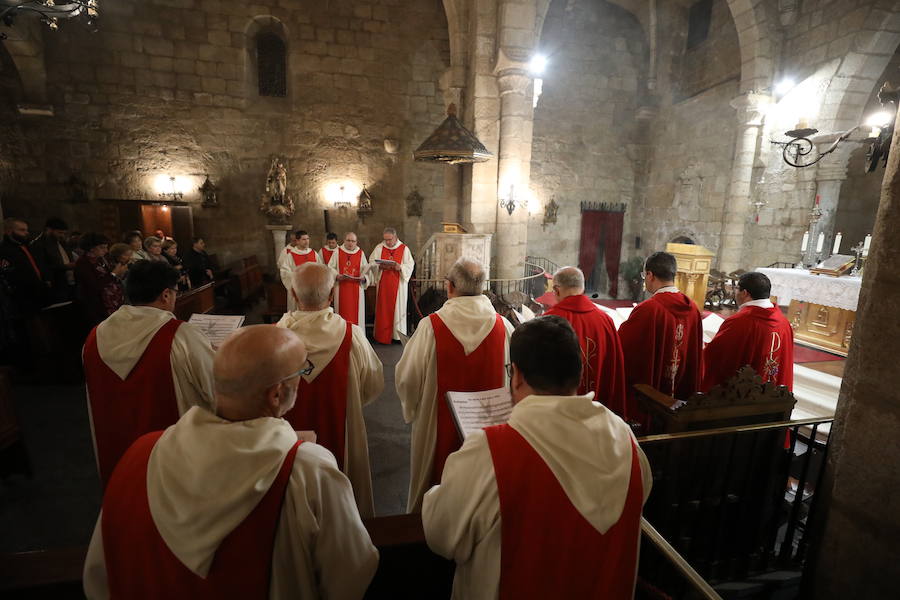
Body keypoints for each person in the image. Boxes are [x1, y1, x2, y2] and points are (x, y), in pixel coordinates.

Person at [83, 325, 379, 598]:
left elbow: (98, 577)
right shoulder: (308, 472)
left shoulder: (140, 456)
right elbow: (351, 575)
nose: (304, 377)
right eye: (301, 372)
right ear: (277, 394)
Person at [422, 316, 652, 599]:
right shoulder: (626, 442)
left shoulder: (492, 451)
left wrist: (435, 496)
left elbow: (441, 535)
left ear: (516, 375)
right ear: (578, 373)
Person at [82, 260, 215, 486]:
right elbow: (217, 389)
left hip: (120, 458)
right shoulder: (179, 336)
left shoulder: (94, 338)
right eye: (175, 292)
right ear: (165, 295)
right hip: (173, 459)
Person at [396, 257, 514, 512]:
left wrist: (412, 408)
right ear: (483, 288)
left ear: (449, 286)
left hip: (439, 425)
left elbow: (407, 377)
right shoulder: (503, 327)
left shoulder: (430, 327)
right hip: (489, 425)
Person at [276, 262, 384, 518]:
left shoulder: (273, 338)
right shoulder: (352, 335)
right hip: (342, 429)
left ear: (293, 294)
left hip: (287, 441)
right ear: (332, 295)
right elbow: (372, 383)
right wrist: (352, 401)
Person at [618, 251, 703, 427]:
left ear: (649, 275)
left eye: (644, 275)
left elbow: (624, 348)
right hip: (682, 398)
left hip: (652, 399)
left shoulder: (649, 309)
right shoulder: (693, 308)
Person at [544, 266, 626, 417]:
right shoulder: (605, 320)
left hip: (559, 416)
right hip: (599, 414)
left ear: (556, 290)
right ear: (582, 288)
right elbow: (614, 367)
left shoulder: (549, 320)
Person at [702, 272, 794, 392]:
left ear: (744, 293)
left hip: (742, 400)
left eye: (736, 289)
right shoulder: (784, 323)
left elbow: (715, 356)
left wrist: (703, 345)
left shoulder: (739, 322)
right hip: (773, 399)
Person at [369, 227, 414, 344]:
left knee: (398, 309)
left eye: (389, 239)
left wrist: (401, 267)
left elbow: (410, 265)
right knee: (383, 309)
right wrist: (378, 266)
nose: (387, 242)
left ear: (395, 237)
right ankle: (382, 336)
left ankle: (397, 336)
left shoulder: (404, 249)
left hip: (398, 285)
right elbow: (371, 262)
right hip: (383, 284)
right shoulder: (379, 247)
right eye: (385, 240)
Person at [75, 233, 127, 327]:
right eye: (102, 247)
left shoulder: (100, 259)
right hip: (96, 305)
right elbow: (94, 286)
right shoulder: (83, 263)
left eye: (106, 247)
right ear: (91, 248)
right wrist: (114, 273)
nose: (106, 250)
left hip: (111, 301)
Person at [0, 217, 50, 314]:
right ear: (9, 231)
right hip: (23, 299)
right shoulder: (5, 251)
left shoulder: (27, 246)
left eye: (26, 230)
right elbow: (11, 274)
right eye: (22, 230)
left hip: (39, 294)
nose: (26, 233)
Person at [327, 232, 369, 326]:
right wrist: (336, 276)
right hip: (341, 287)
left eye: (353, 241)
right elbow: (330, 267)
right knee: (342, 314)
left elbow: (366, 270)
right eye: (348, 241)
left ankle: (357, 336)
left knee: (356, 314)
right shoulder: (337, 252)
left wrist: (364, 278)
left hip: (357, 288)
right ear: (344, 241)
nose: (350, 243)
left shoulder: (360, 253)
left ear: (356, 242)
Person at [29, 217, 76, 303]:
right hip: (55, 284)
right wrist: (66, 266)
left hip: (69, 282)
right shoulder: (38, 244)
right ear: (48, 230)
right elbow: (42, 266)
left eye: (64, 233)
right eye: (59, 232)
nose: (62, 235)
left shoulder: (61, 242)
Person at [278, 230, 321, 312]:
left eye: (308, 239)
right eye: (304, 239)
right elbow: (284, 272)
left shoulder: (313, 253)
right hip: (298, 290)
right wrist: (298, 275)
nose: (307, 241)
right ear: (297, 241)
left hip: (312, 289)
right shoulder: (290, 255)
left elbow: (321, 268)